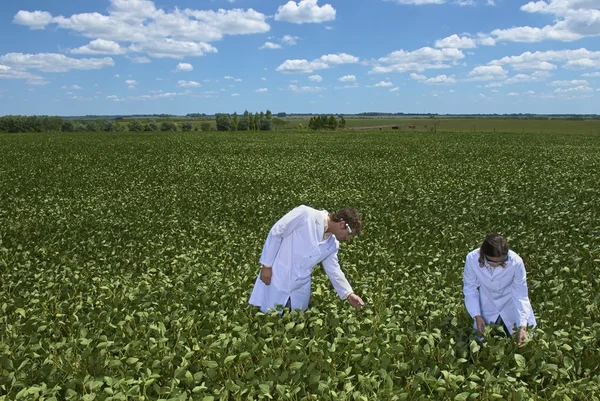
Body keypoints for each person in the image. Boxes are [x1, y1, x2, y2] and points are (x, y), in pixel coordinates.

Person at [248, 204, 365, 314]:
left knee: (296, 321)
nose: (348, 238)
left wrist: (348, 294)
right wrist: (266, 266)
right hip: (278, 276)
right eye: (349, 234)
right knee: (269, 318)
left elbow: (333, 269)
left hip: (301, 286)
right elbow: (277, 232)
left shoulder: (332, 243)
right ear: (342, 224)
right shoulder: (305, 214)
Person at [462, 233, 537, 346]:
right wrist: (476, 315)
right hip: (488, 301)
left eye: (501, 261)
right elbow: (470, 289)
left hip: (511, 301)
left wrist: (523, 326)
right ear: (483, 254)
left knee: (521, 340)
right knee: (483, 341)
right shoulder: (472, 259)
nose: (497, 265)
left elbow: (520, 294)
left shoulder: (516, 262)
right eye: (492, 262)